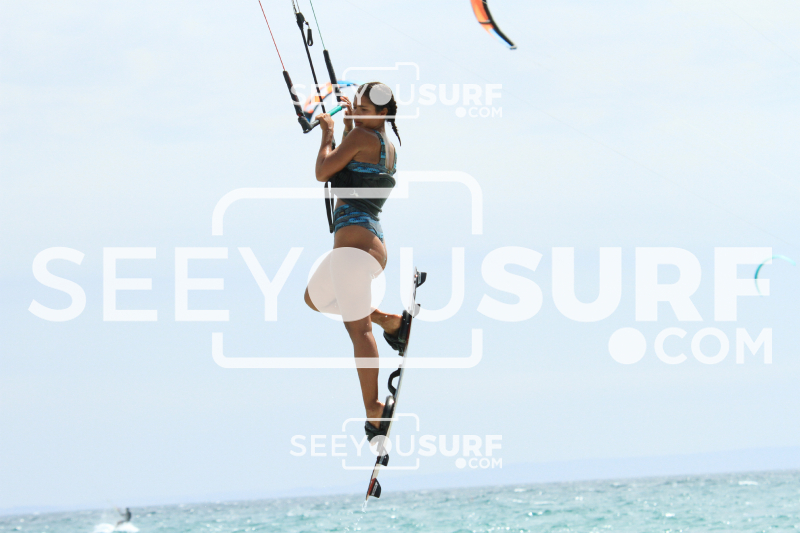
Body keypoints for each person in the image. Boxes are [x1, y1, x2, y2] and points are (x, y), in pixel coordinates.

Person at [304, 82, 404, 442]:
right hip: (369, 243)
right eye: (356, 108)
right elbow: (353, 170)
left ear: (382, 113)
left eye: (364, 110)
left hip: (354, 247)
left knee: (357, 330)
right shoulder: (385, 145)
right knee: (314, 298)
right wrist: (348, 125)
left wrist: (328, 133)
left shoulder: (362, 136)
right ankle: (389, 321)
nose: (358, 114)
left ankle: (374, 408)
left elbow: (324, 170)